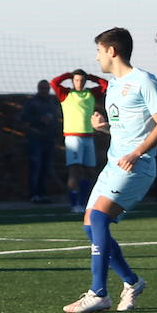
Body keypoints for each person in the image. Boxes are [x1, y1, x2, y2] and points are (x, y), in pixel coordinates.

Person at [62, 28, 157, 313]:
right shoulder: (113, 86)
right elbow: (127, 130)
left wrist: (136, 153)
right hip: (114, 164)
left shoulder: (144, 80)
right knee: (89, 225)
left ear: (112, 51)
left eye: (99, 51)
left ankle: (99, 292)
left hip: (137, 165)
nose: (96, 58)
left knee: (97, 217)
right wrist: (104, 128)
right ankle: (131, 282)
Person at [52, 69, 109, 213]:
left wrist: (91, 76)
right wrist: (68, 75)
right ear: (72, 81)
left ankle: (84, 202)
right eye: (76, 80)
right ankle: (74, 204)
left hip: (88, 137)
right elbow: (54, 82)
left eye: (82, 80)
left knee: (89, 171)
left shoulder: (90, 93)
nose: (79, 83)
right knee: (74, 170)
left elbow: (106, 85)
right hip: (73, 137)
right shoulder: (66, 94)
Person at [19, 79, 59, 203]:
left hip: (49, 139)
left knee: (45, 168)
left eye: (46, 88)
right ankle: (33, 194)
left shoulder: (52, 102)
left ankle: (42, 194)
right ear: (38, 88)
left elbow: (57, 116)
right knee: (35, 167)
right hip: (35, 139)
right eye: (42, 88)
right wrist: (39, 120)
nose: (44, 91)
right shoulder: (32, 102)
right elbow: (24, 117)